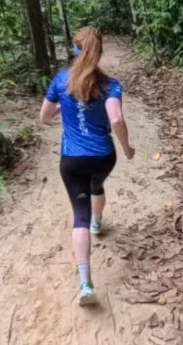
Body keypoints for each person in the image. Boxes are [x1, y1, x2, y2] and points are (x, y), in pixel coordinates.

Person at [39, 27, 135, 306]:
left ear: (75, 49)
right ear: (99, 52)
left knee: (77, 214)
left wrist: (61, 108)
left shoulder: (60, 81)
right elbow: (115, 118)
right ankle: (98, 222)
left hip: (72, 160)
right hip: (104, 156)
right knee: (98, 184)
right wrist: (127, 149)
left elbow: (44, 117)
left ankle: (85, 283)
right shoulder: (111, 84)